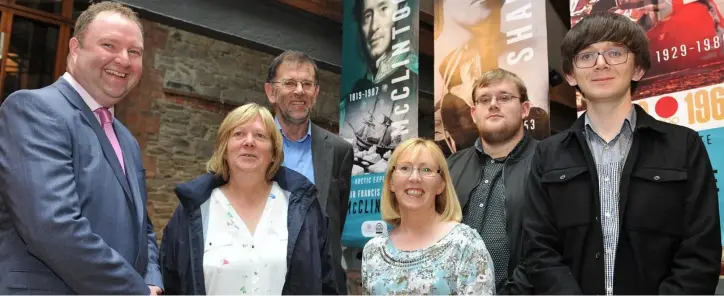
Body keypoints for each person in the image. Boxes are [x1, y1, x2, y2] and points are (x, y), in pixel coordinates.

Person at [524, 11, 721, 295]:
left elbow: (700, 252)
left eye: (615, 52)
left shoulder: (684, 146)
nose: (601, 64)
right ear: (570, 74)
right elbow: (539, 249)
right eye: (586, 56)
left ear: (638, 68)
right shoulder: (547, 155)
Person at [0, 2, 162, 294]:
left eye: (134, 52)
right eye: (109, 45)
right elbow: (52, 227)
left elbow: (142, 225)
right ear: (75, 48)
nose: (123, 60)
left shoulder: (126, 138)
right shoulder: (35, 110)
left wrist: (152, 278)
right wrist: (134, 290)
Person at [159, 103, 337, 294]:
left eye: (260, 136)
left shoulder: (304, 208)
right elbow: (171, 281)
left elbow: (326, 283)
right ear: (224, 149)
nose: (249, 142)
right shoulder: (194, 209)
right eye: (238, 134)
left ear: (273, 152)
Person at [264, 50, 353, 294]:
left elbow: (336, 218)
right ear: (271, 92)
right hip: (262, 279)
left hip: (321, 283)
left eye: (307, 84)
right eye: (290, 83)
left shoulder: (339, 151)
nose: (299, 91)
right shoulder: (251, 144)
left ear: (316, 93)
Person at [361, 138, 495, 295]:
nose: (415, 178)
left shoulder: (465, 244)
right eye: (405, 168)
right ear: (391, 182)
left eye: (426, 170)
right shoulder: (373, 251)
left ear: (441, 184)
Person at [446, 69, 538, 294]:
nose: (493, 104)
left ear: (525, 109)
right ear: (475, 112)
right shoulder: (449, 166)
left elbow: (555, 243)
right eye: (485, 99)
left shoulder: (548, 162)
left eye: (504, 97)